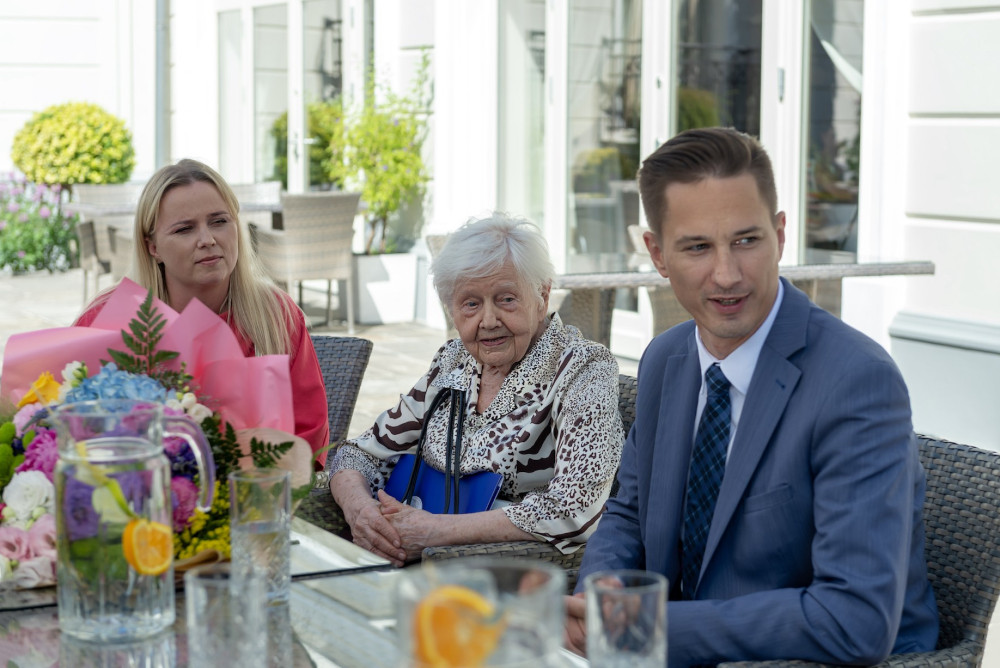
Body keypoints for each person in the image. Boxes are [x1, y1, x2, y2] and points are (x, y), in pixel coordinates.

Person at [564, 127, 939, 665]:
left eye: (747, 240)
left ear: (780, 235)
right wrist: (601, 602)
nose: (727, 274)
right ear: (657, 253)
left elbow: (854, 621)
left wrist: (643, 628)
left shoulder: (856, 381)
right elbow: (629, 514)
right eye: (697, 246)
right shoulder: (665, 359)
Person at [329, 213, 624, 567]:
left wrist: (434, 532)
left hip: (510, 577)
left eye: (506, 299)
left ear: (542, 297)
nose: (487, 321)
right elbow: (359, 454)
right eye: (470, 303)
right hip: (412, 559)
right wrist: (362, 513)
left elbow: (574, 509)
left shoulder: (581, 370)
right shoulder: (453, 361)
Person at [74, 159, 329, 474]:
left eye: (219, 221)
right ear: (152, 246)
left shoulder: (276, 316)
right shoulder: (108, 318)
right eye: (184, 228)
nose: (207, 239)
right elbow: (64, 424)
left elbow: (309, 439)